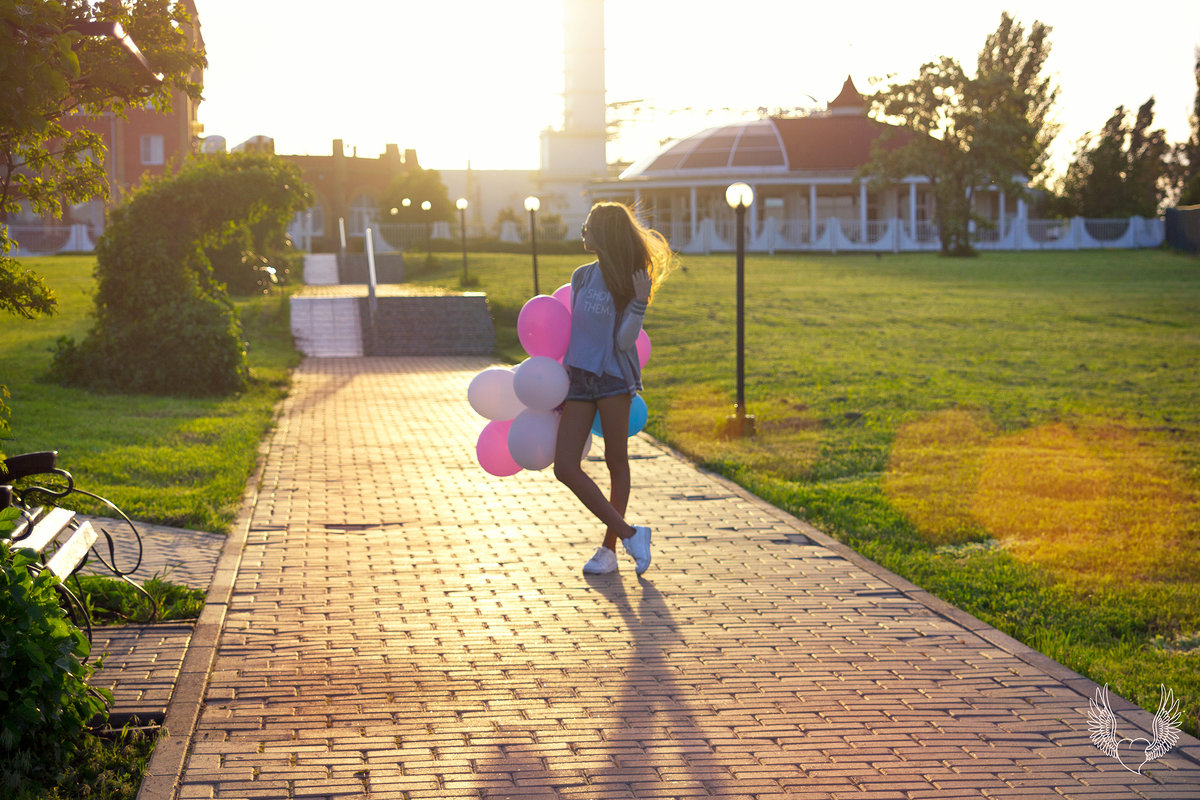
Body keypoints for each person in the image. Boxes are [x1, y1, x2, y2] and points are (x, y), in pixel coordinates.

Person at [553, 202, 674, 575]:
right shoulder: (581, 276)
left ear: (604, 232)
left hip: (612, 378)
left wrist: (638, 302)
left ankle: (609, 550)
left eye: (589, 225)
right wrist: (560, 380)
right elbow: (573, 331)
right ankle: (631, 534)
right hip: (579, 379)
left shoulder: (630, 279)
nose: (583, 231)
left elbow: (624, 342)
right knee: (565, 467)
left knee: (615, 463)